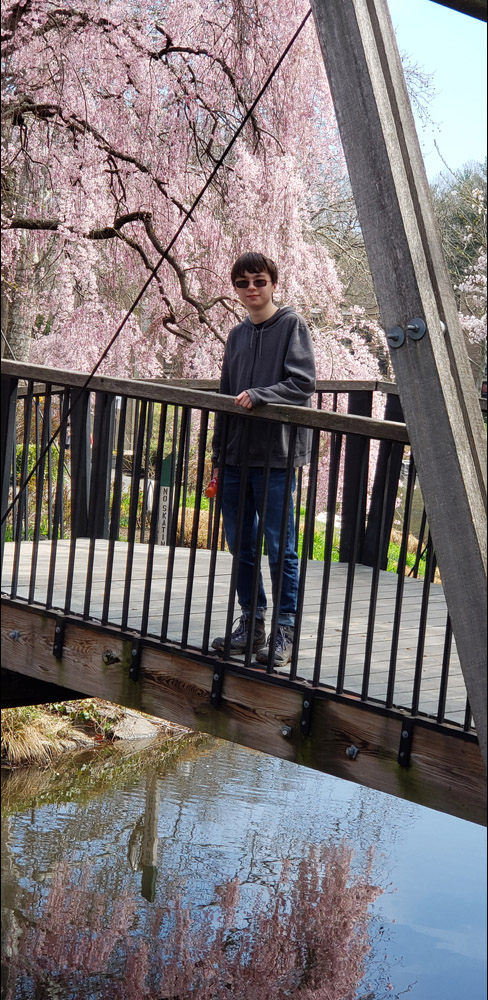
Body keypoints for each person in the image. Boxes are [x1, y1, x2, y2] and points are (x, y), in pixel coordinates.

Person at [211, 252, 316, 667]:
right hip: (236, 456)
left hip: (276, 456)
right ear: (236, 290)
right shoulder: (236, 336)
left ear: (273, 283)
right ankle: (251, 622)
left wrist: (261, 395)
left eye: (259, 281)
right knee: (241, 544)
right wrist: (218, 454)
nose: (252, 289)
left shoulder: (291, 325)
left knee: (280, 545)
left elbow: (302, 383)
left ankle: (284, 629)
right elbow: (224, 394)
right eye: (243, 283)